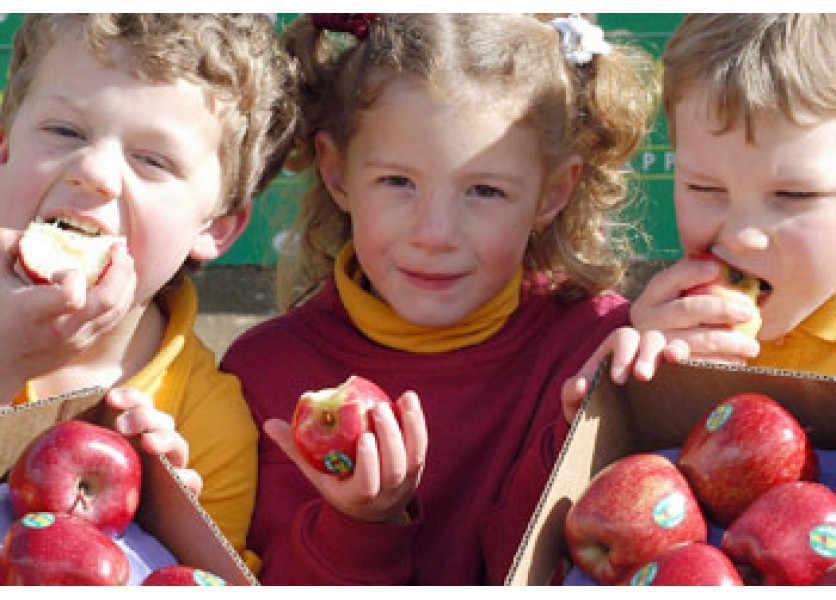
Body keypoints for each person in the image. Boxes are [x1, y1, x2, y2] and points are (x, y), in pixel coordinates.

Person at [221, 13, 658, 585]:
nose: (435, 232)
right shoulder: (266, 376)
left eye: (484, 191)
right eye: (398, 182)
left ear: (553, 193)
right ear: (337, 173)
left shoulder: (595, 354)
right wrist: (359, 524)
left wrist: (585, 431)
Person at [0, 14, 299, 573]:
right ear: (3, 150)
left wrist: (156, 535)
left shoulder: (206, 421)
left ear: (216, 228)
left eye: (153, 160)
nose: (93, 171)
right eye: (65, 130)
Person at [562, 14, 836, 422]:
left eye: (794, 194)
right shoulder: (662, 328)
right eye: (704, 188)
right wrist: (638, 395)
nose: (742, 235)